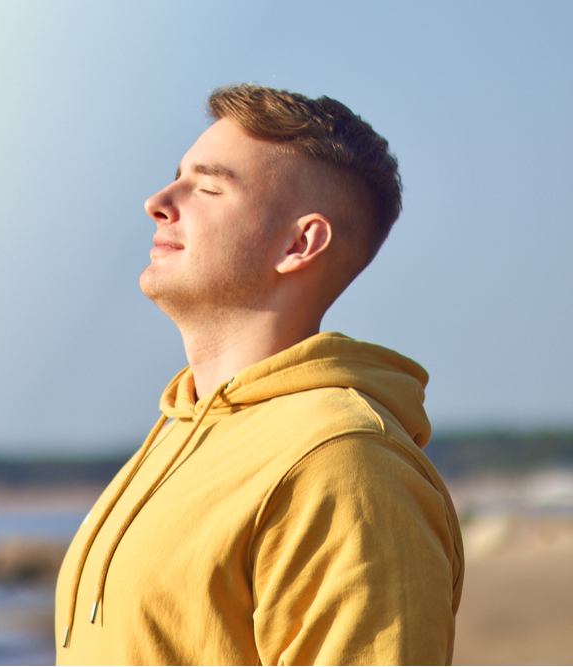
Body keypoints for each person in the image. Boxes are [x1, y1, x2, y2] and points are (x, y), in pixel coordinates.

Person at [54, 84, 464, 665]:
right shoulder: (183, 424)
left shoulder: (344, 465)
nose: (158, 200)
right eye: (177, 176)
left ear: (300, 243)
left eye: (208, 187)